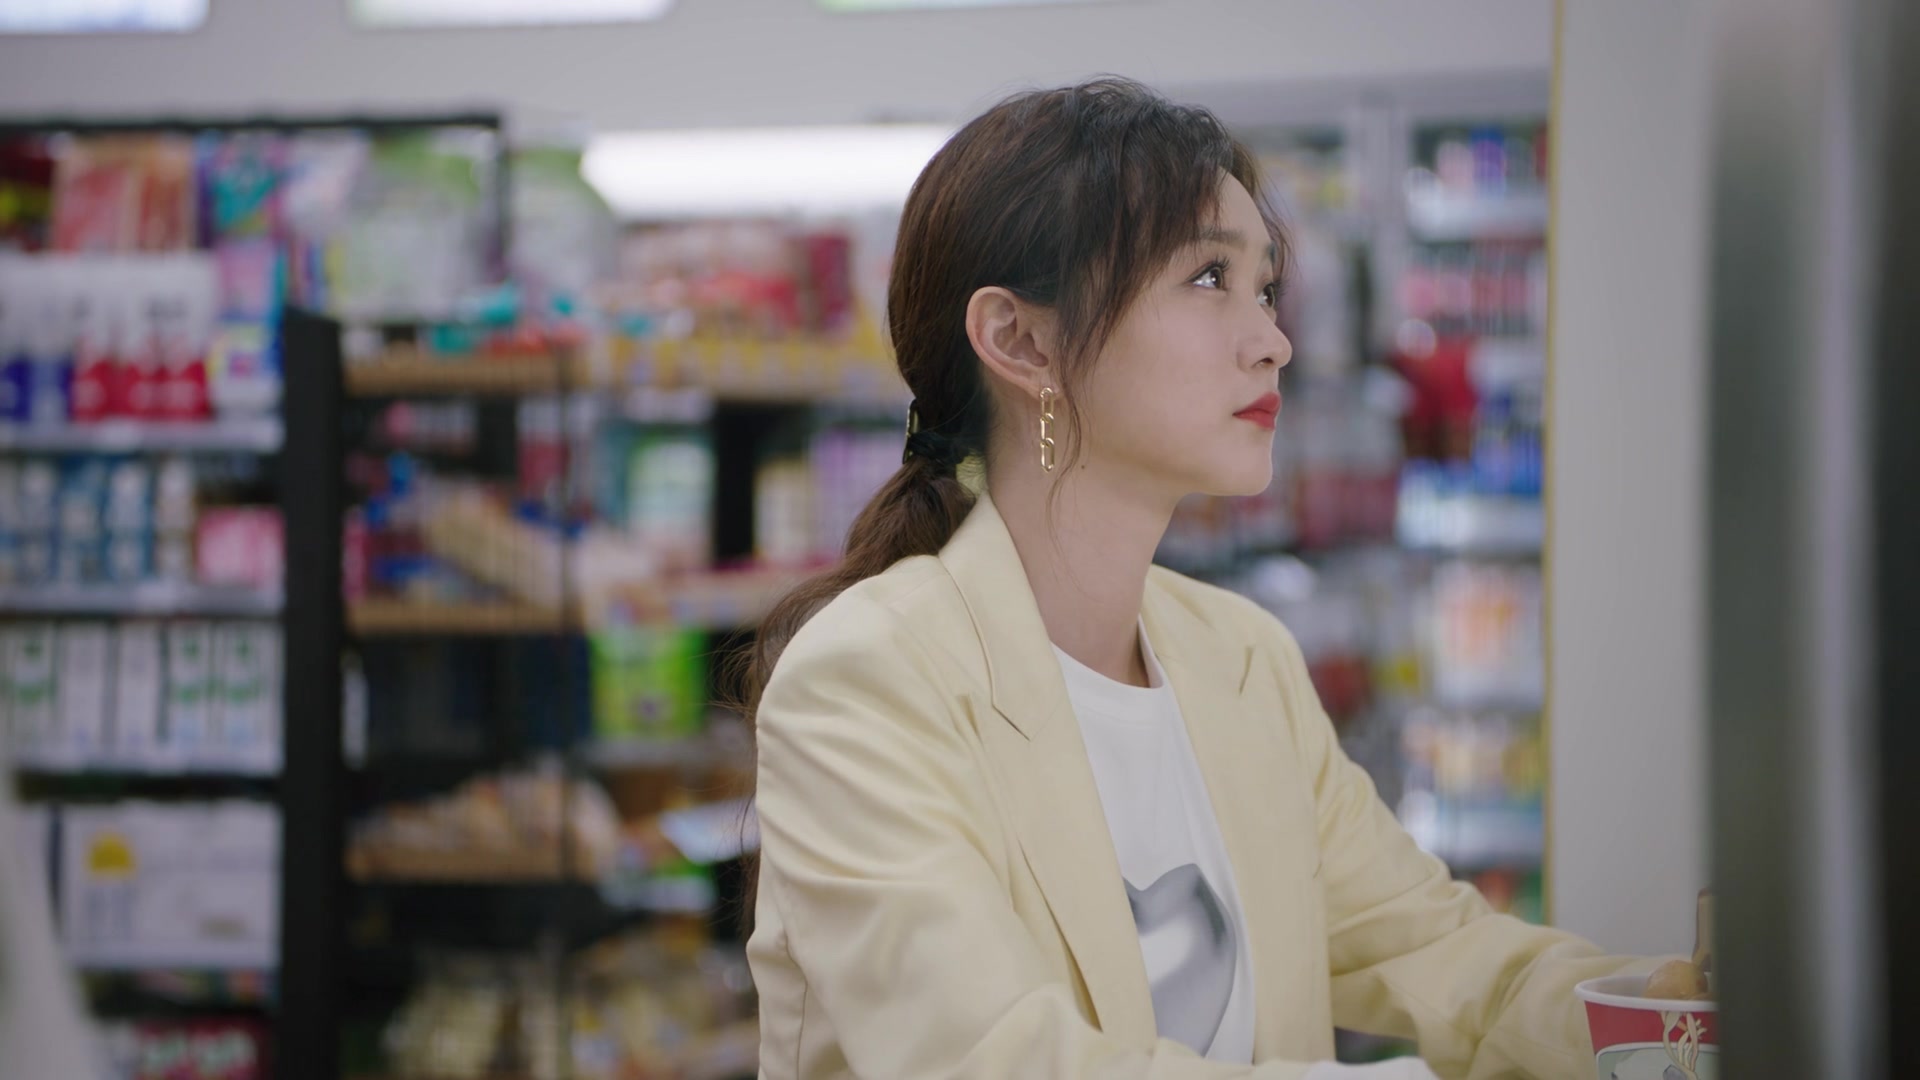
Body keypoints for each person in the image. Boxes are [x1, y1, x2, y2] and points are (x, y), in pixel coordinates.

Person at [740, 77, 1647, 1080]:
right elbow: (998, 1060)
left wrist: (1673, 1018)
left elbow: (1448, 958)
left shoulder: (1243, 658)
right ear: (1021, 340)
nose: (1273, 341)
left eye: (1266, 288)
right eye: (1211, 277)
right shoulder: (865, 685)